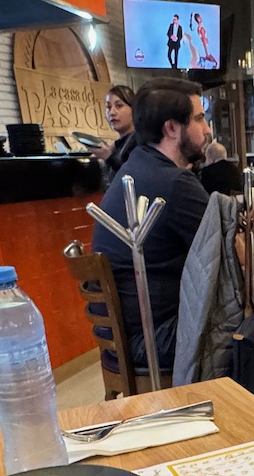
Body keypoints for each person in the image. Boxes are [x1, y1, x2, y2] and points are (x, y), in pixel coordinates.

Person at [90, 78, 210, 370]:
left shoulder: (133, 168)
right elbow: (232, 256)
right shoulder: (175, 183)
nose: (207, 130)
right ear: (171, 128)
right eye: (199, 119)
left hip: (125, 337)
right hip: (153, 339)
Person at [88, 85, 135, 183]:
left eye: (119, 106)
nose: (112, 112)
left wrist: (109, 157)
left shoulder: (140, 143)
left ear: (134, 109)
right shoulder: (117, 145)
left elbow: (134, 177)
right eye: (108, 107)